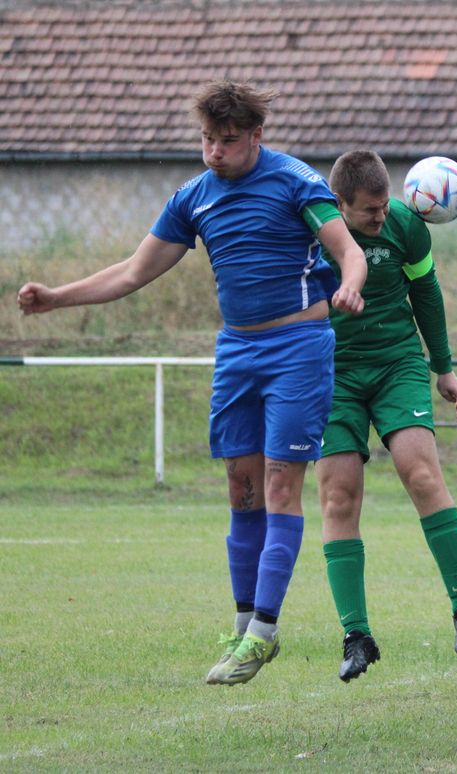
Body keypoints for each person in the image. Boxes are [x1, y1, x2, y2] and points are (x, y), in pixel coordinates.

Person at [15, 81, 368, 685]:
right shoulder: (193, 197)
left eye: (227, 142)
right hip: (237, 349)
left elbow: (347, 248)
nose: (214, 153)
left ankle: (263, 633)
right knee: (240, 487)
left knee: (282, 486)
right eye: (206, 140)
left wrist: (351, 284)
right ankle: (241, 626)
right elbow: (132, 271)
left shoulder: (296, 182)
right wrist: (55, 299)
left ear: (256, 136)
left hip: (298, 348)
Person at [316, 150, 457, 683]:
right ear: (338, 205)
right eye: (368, 210)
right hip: (332, 374)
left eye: (385, 205)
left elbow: (426, 293)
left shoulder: (407, 226)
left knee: (421, 473)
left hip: (397, 364)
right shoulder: (310, 229)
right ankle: (357, 635)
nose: (381, 217)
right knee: (338, 496)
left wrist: (445, 368)